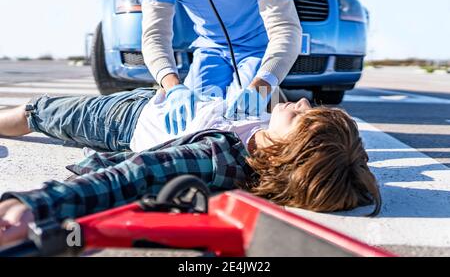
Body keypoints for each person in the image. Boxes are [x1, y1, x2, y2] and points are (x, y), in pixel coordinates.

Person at [0, 89, 381, 246]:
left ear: (289, 150)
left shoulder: (215, 158)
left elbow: (133, 176)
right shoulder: (268, 146)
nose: (299, 101)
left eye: (300, 116)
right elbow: (345, 168)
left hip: (132, 119)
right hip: (171, 105)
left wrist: (36, 206)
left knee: (39, 112)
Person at [142, 0, 303, 134]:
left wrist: (263, 85)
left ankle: (275, 104)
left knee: (242, 121)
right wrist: (173, 88)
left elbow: (285, 28)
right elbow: (154, 35)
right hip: (210, 49)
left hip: (257, 49)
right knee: (195, 121)